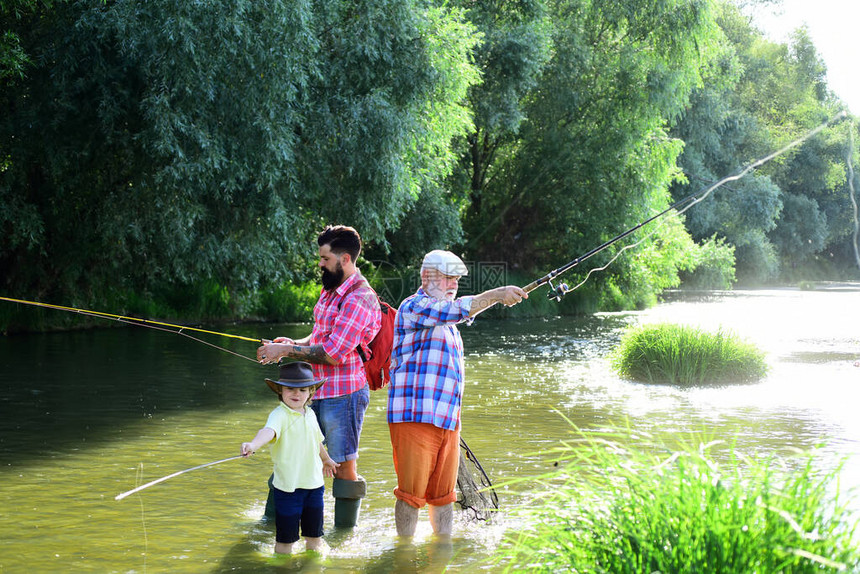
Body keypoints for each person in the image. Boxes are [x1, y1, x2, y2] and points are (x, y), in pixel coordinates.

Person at [388, 249, 528, 537]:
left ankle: (442, 554)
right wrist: (498, 293)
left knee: (444, 497)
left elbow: (462, 312)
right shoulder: (414, 307)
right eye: (448, 278)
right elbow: (458, 310)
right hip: (415, 419)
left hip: (448, 423)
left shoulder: (449, 325)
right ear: (427, 277)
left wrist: (495, 298)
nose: (453, 284)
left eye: (457, 280)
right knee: (410, 497)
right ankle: (403, 556)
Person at [257, 225, 381, 527]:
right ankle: (270, 526)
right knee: (292, 454)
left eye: (325, 259)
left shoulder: (360, 297)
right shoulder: (330, 291)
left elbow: (333, 354)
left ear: (345, 258)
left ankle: (343, 535)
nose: (321, 264)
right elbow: (319, 337)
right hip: (316, 393)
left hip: (345, 396)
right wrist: (290, 344)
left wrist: (284, 353)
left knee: (342, 467)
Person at [241, 361, 339, 554]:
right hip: (288, 488)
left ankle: (314, 565)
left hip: (314, 486)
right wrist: (253, 444)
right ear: (280, 391)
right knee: (286, 540)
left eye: (302, 390)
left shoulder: (310, 413)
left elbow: (316, 441)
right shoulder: (279, 415)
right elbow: (268, 432)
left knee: (315, 537)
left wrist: (326, 459)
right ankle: (282, 566)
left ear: (310, 393)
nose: (296, 394)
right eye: (290, 389)